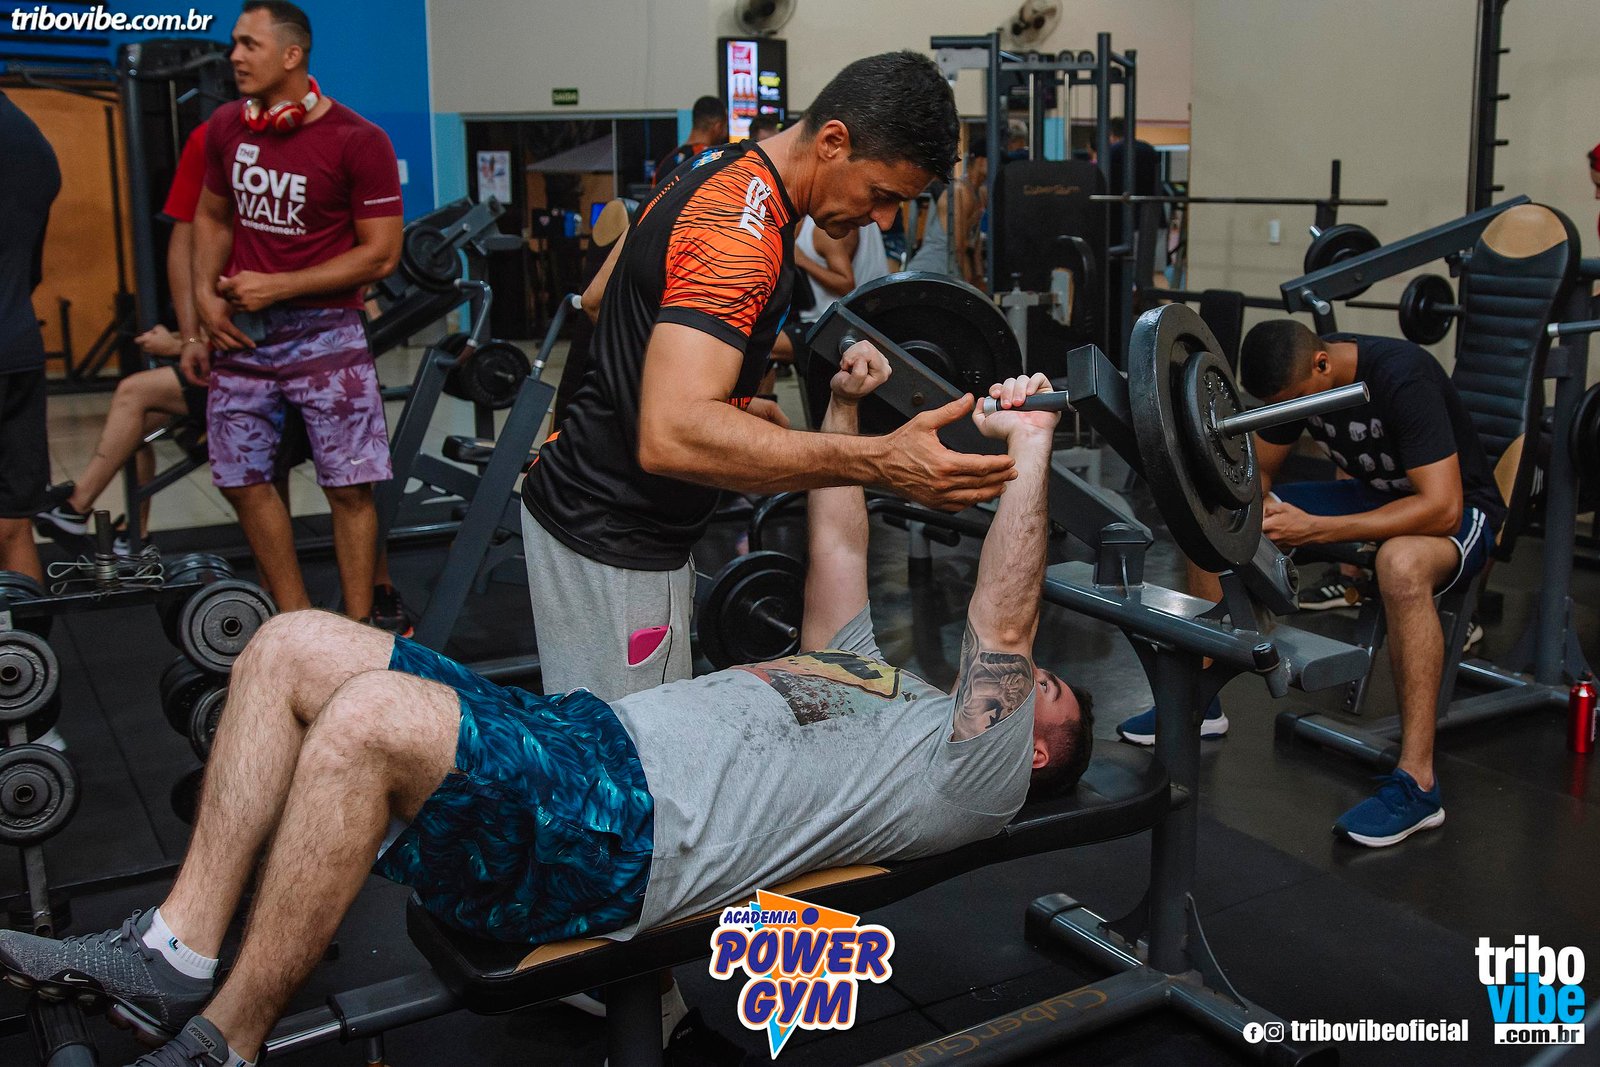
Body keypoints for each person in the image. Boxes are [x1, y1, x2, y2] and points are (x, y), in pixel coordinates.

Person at [0, 361, 1093, 1067]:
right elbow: (841, 541)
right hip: (583, 746)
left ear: (1036, 751)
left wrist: (1028, 447)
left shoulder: (975, 781)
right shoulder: (870, 678)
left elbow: (1004, 616)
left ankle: (225, 1044)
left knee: (372, 714)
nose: (1030, 676)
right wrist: (846, 411)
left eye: (1046, 692)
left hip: (633, 838)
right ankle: (175, 951)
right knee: (290, 643)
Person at [522, 51, 1016, 701]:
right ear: (833, 141)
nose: (886, 220)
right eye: (882, 195)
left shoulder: (711, 165)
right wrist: (880, 461)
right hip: (614, 536)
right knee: (618, 756)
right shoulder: (741, 234)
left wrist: (721, 400)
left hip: (582, 509)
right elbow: (671, 436)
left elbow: (598, 298)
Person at [1117, 320, 1506, 849]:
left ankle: (1418, 785)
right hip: (1372, 495)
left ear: (1322, 365)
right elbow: (1257, 475)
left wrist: (1316, 529)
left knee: (1400, 565)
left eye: (1295, 402)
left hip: (1458, 507)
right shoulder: (1299, 382)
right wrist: (1250, 511)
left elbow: (1443, 508)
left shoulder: (1403, 377)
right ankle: (1201, 704)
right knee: (1213, 519)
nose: (1293, 413)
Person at [191, 1, 403, 623]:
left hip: (328, 334)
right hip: (244, 334)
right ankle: (295, 620)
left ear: (292, 55)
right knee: (239, 476)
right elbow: (211, 216)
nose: (234, 56)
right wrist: (204, 295)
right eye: (234, 43)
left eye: (248, 44)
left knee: (350, 484)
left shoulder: (359, 140)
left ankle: (357, 627)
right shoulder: (227, 126)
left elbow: (381, 254)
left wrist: (278, 286)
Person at [0, 89, 61, 585]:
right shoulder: (32, 141)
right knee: (12, 523)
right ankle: (26, 636)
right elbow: (31, 269)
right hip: (16, 342)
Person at [905, 151, 986, 288]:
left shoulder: (981, 194)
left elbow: (975, 244)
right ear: (980, 160)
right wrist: (968, 285)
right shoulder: (958, 190)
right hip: (929, 270)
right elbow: (959, 247)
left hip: (949, 271)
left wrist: (979, 278)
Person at [651, 95, 727, 186]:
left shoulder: (665, 164)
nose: (725, 133)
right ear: (718, 127)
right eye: (725, 127)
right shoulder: (714, 161)